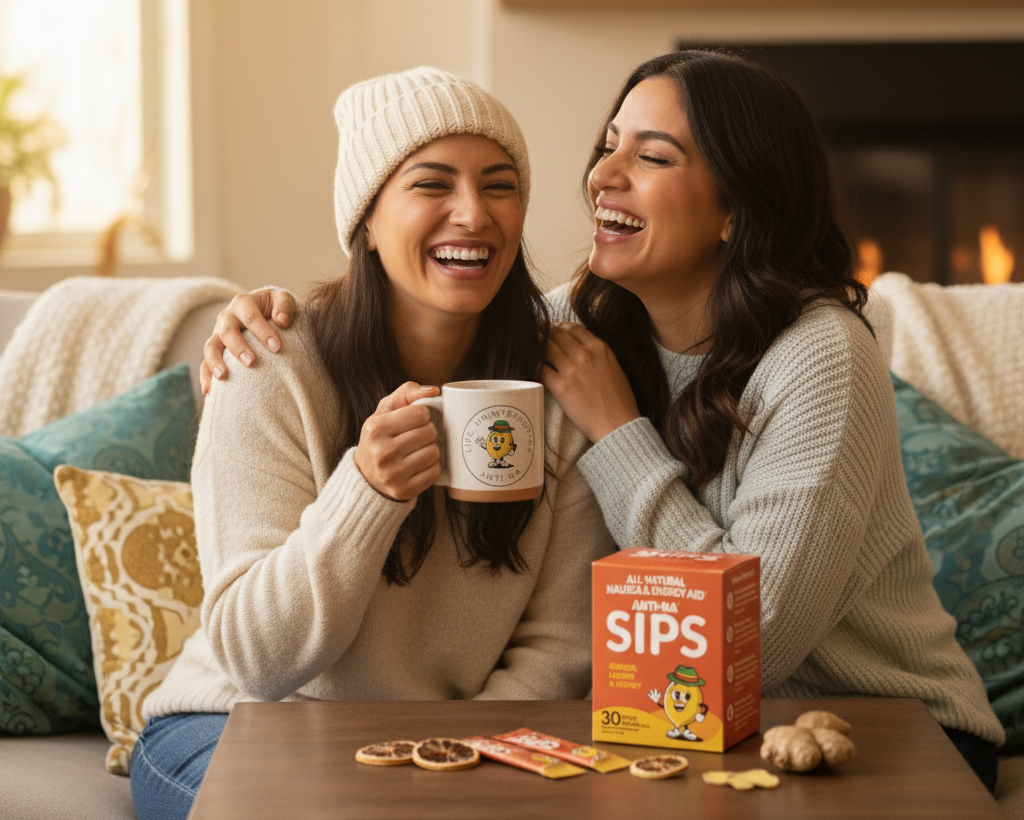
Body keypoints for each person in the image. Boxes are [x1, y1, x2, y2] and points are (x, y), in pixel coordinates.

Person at [201, 51, 1004, 791]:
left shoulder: (819, 354)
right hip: (682, 728)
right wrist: (264, 314)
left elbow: (746, 646)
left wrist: (619, 436)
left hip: (874, 723)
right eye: (608, 145)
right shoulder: (578, 327)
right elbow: (445, 293)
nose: (602, 177)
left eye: (651, 158)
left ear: (738, 208)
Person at [130, 67, 615, 820]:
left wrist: (460, 770)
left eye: (498, 185)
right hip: (238, 722)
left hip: (451, 740)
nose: (472, 214)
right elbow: (257, 662)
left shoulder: (562, 384)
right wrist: (366, 491)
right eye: (431, 185)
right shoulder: (271, 366)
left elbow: (558, 651)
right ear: (366, 221)